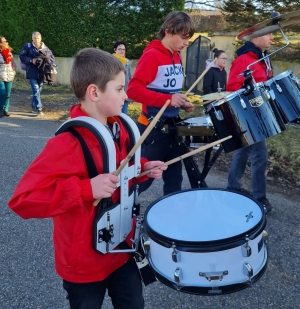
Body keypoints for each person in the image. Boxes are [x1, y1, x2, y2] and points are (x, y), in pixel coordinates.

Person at [8, 48, 167, 309]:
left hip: (122, 249)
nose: (126, 95)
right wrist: (85, 189)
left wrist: (143, 169)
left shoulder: (120, 130)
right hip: (83, 263)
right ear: (94, 93)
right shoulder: (67, 144)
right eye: (119, 89)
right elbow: (23, 201)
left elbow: (120, 171)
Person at [127, 11, 195, 196]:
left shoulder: (177, 56)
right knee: (143, 180)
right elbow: (133, 90)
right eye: (183, 37)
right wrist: (168, 99)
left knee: (175, 179)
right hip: (153, 129)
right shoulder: (152, 56)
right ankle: (119, 214)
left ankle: (171, 220)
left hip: (172, 127)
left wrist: (180, 102)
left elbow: (168, 90)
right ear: (168, 31)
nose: (186, 42)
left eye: (188, 38)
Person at [226, 33, 274, 213]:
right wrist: (248, 89)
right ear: (255, 38)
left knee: (243, 149)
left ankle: (233, 186)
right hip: (247, 114)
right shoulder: (244, 60)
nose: (272, 38)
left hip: (260, 112)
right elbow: (231, 88)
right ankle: (259, 198)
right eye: (268, 34)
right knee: (259, 154)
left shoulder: (263, 59)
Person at [19, 32, 54, 115]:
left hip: (42, 72)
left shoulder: (45, 48)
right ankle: (39, 108)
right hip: (31, 71)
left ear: (41, 38)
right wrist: (31, 60)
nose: (36, 40)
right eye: (34, 38)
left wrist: (45, 61)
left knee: (38, 90)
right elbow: (22, 57)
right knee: (35, 89)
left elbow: (52, 59)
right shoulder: (27, 46)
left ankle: (33, 107)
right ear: (32, 38)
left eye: (38, 38)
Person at [112, 40, 132, 114]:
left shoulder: (127, 62)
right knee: (115, 114)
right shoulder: (111, 61)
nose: (122, 51)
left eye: (123, 49)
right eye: (119, 49)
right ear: (115, 50)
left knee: (124, 115)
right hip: (115, 93)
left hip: (125, 93)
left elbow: (130, 77)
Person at [0, 36, 16, 118]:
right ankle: (1, 110)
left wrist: (13, 70)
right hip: (1, 76)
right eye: (5, 41)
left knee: (7, 94)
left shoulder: (9, 53)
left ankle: (5, 110)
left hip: (9, 75)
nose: (7, 43)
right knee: (2, 93)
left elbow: (13, 63)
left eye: (6, 41)